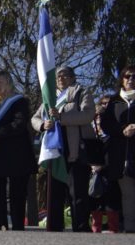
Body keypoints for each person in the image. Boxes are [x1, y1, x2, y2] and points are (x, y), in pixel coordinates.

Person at [31, 66, 96, 232]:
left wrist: (62, 117)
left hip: (75, 150)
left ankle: (80, 229)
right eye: (58, 76)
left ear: (72, 77)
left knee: (77, 194)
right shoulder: (50, 97)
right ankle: (54, 228)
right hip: (55, 151)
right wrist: (42, 125)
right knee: (54, 194)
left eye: (65, 75)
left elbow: (88, 115)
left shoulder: (82, 92)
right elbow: (35, 118)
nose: (61, 78)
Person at [0, 70, 35, 230]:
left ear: (9, 83)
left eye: (0, 82)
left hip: (17, 155)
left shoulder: (20, 101)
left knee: (17, 194)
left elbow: (19, 124)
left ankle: (18, 227)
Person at [100, 66, 135, 233]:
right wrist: (122, 130)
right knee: (127, 196)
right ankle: (130, 230)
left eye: (134, 77)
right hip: (120, 157)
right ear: (122, 79)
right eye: (127, 76)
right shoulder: (114, 101)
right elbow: (106, 125)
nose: (131, 79)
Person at [89, 95, 120, 232]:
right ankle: (96, 228)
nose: (105, 106)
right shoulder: (92, 124)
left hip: (110, 167)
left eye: (108, 103)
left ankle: (114, 229)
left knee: (111, 201)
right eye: (103, 103)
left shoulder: (114, 122)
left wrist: (104, 164)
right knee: (95, 200)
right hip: (93, 169)